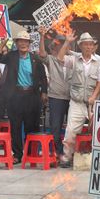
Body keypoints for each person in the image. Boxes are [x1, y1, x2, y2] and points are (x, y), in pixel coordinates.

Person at [0, 31, 48, 164]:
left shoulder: (35, 59)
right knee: (16, 126)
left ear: (29, 44)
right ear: (16, 43)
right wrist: (2, 43)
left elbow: (43, 78)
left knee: (32, 126)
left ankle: (30, 154)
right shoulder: (11, 56)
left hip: (32, 96)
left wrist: (44, 93)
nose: (23, 44)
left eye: (25, 41)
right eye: (20, 41)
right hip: (15, 96)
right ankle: (17, 154)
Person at [57, 32, 100, 168]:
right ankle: (67, 157)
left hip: (93, 103)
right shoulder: (74, 59)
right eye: (85, 44)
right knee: (70, 132)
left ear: (94, 47)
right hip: (77, 102)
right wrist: (67, 42)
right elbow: (60, 58)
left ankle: (98, 159)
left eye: (91, 44)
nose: (88, 47)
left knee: (99, 132)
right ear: (80, 46)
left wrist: (93, 96)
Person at [38, 26, 72, 157]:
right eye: (59, 43)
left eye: (65, 43)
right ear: (54, 46)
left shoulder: (73, 59)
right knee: (55, 127)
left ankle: (70, 153)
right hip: (56, 97)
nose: (62, 46)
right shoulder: (51, 60)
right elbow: (42, 54)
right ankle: (58, 152)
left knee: (72, 128)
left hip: (72, 98)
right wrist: (42, 36)